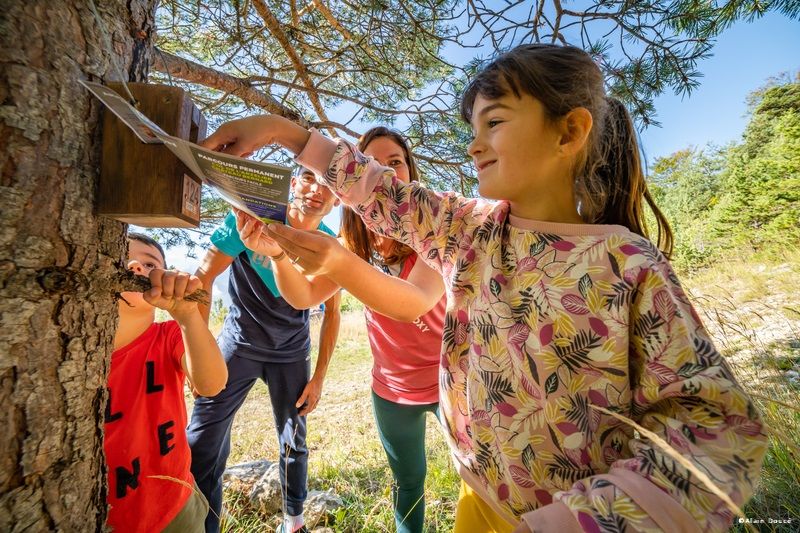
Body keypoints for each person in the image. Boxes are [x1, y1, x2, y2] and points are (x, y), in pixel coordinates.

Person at [199, 44, 768, 533]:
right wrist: (283, 133)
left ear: (569, 131)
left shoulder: (626, 264)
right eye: (472, 129)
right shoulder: (470, 231)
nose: (474, 145)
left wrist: (571, 522)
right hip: (480, 501)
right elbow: (381, 194)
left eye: (494, 122)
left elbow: (718, 432)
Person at [235, 127, 446, 533]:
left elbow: (412, 303)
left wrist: (338, 261)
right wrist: (277, 254)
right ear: (352, 177)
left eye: (395, 162)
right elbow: (303, 296)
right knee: (408, 483)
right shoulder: (353, 245)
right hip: (392, 391)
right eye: (372, 163)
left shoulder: (431, 230)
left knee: (478, 476)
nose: (385, 172)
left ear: (410, 171)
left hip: (450, 382)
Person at [187, 167, 341, 533]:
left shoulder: (328, 245)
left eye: (329, 183)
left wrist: (319, 376)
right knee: (203, 440)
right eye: (309, 177)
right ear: (293, 183)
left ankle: (293, 521)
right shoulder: (252, 218)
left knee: (293, 440)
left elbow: (332, 312)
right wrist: (196, 355)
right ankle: (203, 523)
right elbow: (203, 276)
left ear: (338, 199)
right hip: (237, 344)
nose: (317, 188)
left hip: (290, 353)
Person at [105, 233, 227, 532]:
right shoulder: (73, 356)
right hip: (104, 516)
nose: (135, 266)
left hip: (176, 507)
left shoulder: (169, 336)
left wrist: (187, 315)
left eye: (150, 264)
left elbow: (212, 384)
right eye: (123, 258)